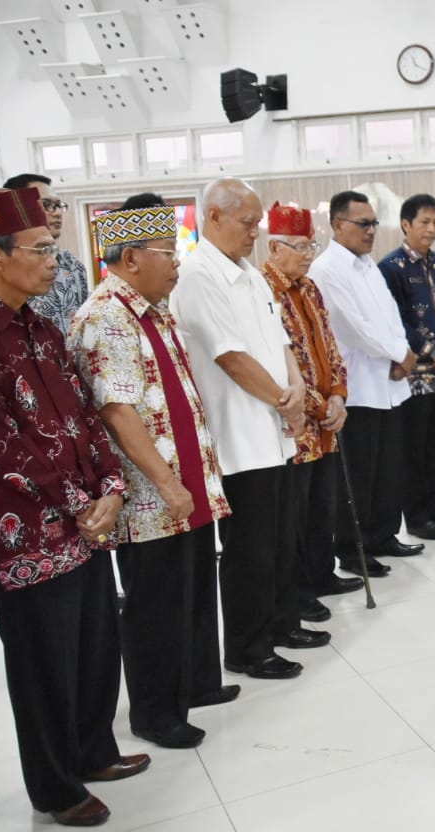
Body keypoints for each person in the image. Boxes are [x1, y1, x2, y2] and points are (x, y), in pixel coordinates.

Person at [0, 186, 143, 828]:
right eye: (41, 249)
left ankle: (94, 751)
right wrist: (82, 501)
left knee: (95, 645)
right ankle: (55, 787)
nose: (54, 259)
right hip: (24, 536)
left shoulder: (42, 327)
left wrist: (109, 486)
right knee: (44, 664)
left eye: (54, 247)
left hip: (85, 521)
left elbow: (81, 415)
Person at [68, 196, 235, 751]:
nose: (178, 263)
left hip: (186, 484)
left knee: (189, 590)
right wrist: (166, 482)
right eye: (168, 252)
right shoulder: (106, 316)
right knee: (154, 603)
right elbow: (117, 411)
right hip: (151, 498)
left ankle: (193, 685)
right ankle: (155, 712)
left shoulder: (151, 308)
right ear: (131, 257)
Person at [169, 177, 312, 680]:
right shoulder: (197, 278)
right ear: (213, 218)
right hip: (238, 437)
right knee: (249, 551)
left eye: (257, 223)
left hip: (274, 430)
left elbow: (283, 344)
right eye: (247, 223)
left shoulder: (250, 274)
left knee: (279, 540)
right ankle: (249, 648)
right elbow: (229, 356)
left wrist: (294, 390)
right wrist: (284, 401)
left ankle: (281, 624)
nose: (255, 233)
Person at [261, 202, 366, 626]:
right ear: (274, 248)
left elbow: (329, 345)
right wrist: (318, 406)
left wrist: (339, 395)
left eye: (311, 245)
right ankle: (300, 593)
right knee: (298, 514)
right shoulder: (264, 290)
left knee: (324, 504)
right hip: (296, 423)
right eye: (300, 247)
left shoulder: (309, 288)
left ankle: (322, 576)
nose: (308, 255)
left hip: (327, 417)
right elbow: (279, 363)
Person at [309, 191, 420, 580]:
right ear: (337, 224)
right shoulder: (327, 270)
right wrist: (398, 355)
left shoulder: (368, 265)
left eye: (374, 223)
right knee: (358, 474)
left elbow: (390, 316)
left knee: (387, 468)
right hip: (356, 387)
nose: (371, 231)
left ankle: (383, 535)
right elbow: (353, 327)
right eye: (363, 224)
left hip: (388, 382)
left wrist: (402, 352)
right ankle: (354, 549)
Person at [380, 193, 435, 541]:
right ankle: (416, 518)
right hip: (415, 377)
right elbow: (399, 323)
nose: (432, 229)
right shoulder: (391, 268)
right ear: (406, 224)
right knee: (414, 450)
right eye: (424, 222)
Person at [2, 173, 90, 337]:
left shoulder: (72, 264)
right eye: (47, 204)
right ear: (17, 208)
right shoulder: (6, 266)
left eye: (58, 205)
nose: (57, 213)